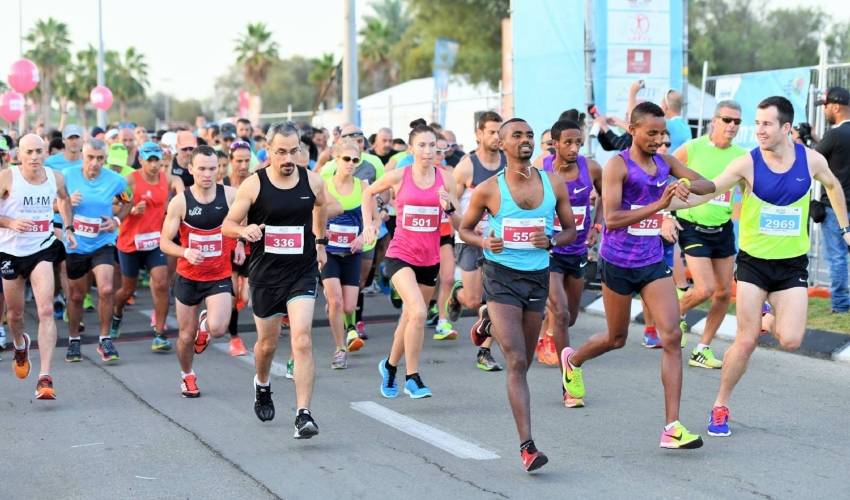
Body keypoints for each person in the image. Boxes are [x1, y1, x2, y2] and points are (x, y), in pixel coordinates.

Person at [669, 96, 850, 437]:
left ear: (786, 128)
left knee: (792, 339)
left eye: (766, 124)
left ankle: (768, 315)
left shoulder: (811, 160)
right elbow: (708, 192)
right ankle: (720, 405)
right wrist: (669, 205)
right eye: (757, 122)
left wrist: (846, 228)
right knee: (747, 340)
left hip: (792, 265)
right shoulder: (746, 164)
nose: (758, 130)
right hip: (753, 264)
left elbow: (833, 185)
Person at [562, 102, 714, 450]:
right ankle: (573, 360)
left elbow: (704, 185)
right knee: (616, 339)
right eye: (652, 133)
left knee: (672, 336)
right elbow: (612, 219)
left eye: (663, 134)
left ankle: (672, 427)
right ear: (632, 130)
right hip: (617, 262)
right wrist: (661, 205)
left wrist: (687, 184)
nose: (659, 140)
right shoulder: (618, 165)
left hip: (651, 262)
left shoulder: (665, 162)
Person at [458, 118, 576, 472]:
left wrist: (552, 240)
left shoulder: (553, 184)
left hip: (537, 278)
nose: (524, 140)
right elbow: (464, 229)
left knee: (524, 355)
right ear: (502, 144)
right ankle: (527, 446)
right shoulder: (488, 189)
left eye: (528, 135)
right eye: (516, 136)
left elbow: (571, 230)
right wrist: (483, 240)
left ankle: (487, 323)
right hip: (500, 277)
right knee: (517, 361)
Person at [223, 120, 328, 438]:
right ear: (267, 151)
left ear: (300, 150)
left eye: (293, 151)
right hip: (266, 275)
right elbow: (228, 224)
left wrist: (320, 241)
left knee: (302, 339)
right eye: (280, 152)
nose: (287, 158)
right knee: (266, 345)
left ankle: (303, 414)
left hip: (302, 270)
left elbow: (321, 207)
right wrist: (244, 230)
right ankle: (263, 383)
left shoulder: (312, 181)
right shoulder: (254, 185)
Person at [362, 120, 461, 399]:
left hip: (429, 257)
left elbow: (457, 220)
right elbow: (368, 191)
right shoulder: (399, 176)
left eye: (433, 146)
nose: (428, 151)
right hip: (400, 254)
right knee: (418, 311)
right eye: (422, 145)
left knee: (409, 318)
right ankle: (412, 377)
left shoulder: (446, 179)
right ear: (411, 148)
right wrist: (368, 223)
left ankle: (390, 366)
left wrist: (449, 207)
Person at [662, 101, 747, 366]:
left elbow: (744, 195)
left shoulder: (742, 156)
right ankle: (675, 317)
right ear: (714, 120)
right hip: (692, 227)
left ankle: (703, 349)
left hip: (722, 230)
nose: (732, 126)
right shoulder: (693, 147)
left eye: (737, 122)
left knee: (723, 292)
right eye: (727, 120)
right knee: (705, 288)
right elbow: (661, 175)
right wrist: (665, 215)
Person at [160, 145, 243, 397]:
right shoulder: (180, 201)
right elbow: (164, 241)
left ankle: (206, 325)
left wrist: (240, 241)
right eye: (202, 169)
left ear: (219, 169)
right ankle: (187, 376)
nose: (208, 174)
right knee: (186, 336)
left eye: (213, 168)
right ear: (191, 169)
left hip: (218, 274)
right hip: (188, 277)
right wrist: (185, 252)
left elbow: (245, 219)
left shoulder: (230, 195)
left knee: (219, 328)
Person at [0, 134, 76, 399]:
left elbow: (64, 200)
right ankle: (20, 346)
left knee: (45, 309)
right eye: (29, 152)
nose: (34, 157)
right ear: (19, 154)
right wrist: (10, 223)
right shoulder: (8, 178)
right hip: (10, 250)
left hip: (42, 247)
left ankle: (45, 377)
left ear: (46, 152)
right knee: (16, 315)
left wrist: (68, 228)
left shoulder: (55, 177)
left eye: (39, 151)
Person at [536, 120, 603, 388]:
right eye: (568, 142)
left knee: (570, 317)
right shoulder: (540, 168)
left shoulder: (592, 168)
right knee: (561, 313)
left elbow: (607, 197)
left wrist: (597, 225)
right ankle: (569, 381)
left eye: (578, 142)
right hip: (549, 251)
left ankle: (545, 337)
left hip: (577, 250)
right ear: (555, 144)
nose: (574, 148)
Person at [446, 111, 506, 371]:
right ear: (479, 135)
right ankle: (456, 295)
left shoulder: (509, 162)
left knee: (499, 298)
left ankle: (485, 351)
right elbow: (451, 205)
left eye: (499, 131)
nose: (496, 137)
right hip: (469, 238)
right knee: (473, 301)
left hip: (500, 241)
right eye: (491, 132)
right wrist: (465, 229)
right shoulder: (467, 166)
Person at [111, 142, 184, 349]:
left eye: (156, 160)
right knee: (127, 290)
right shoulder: (130, 181)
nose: (153, 165)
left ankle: (159, 334)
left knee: (161, 284)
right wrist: (131, 209)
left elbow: (177, 181)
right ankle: (117, 315)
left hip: (154, 242)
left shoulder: (165, 179)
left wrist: (179, 192)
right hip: (130, 243)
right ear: (140, 160)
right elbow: (114, 205)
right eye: (149, 160)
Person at [62, 138, 129, 363]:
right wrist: (68, 201)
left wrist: (116, 221)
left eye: (100, 158)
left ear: (105, 159)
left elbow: (127, 201)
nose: (95, 163)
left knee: (107, 289)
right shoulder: (67, 176)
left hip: (103, 242)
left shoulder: (115, 180)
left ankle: (104, 339)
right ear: (83, 156)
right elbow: (52, 203)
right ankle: (73, 340)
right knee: (77, 295)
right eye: (90, 157)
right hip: (76, 244)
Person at [322, 139, 379, 368]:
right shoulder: (324, 185)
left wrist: (363, 235)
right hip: (328, 252)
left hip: (353, 250)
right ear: (336, 159)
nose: (351, 163)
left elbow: (375, 219)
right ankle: (339, 350)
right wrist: (320, 229)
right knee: (336, 302)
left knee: (347, 307)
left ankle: (344, 321)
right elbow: (312, 214)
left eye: (356, 160)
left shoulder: (364, 187)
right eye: (346, 158)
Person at [810, 86, 850, 314]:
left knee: (836, 258)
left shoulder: (834, 135)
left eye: (825, 106)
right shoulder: (834, 136)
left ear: (836, 106)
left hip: (836, 207)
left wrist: (800, 141)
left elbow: (812, 158)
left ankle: (841, 305)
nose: (824, 111)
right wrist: (816, 138)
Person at [44, 124, 84, 321]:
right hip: (59, 220)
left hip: (86, 221)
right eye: (71, 138)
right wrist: (65, 204)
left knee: (79, 267)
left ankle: (73, 302)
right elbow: (44, 200)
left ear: (82, 141)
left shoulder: (89, 161)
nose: (74, 141)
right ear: (64, 141)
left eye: (77, 137)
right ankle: (70, 307)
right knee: (66, 265)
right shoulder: (51, 163)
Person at [224, 141, 253, 356]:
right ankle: (234, 339)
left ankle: (224, 308)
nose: (243, 165)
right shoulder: (222, 184)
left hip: (253, 246)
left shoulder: (256, 181)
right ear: (230, 161)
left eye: (246, 160)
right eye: (239, 161)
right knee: (234, 295)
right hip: (228, 246)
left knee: (246, 297)